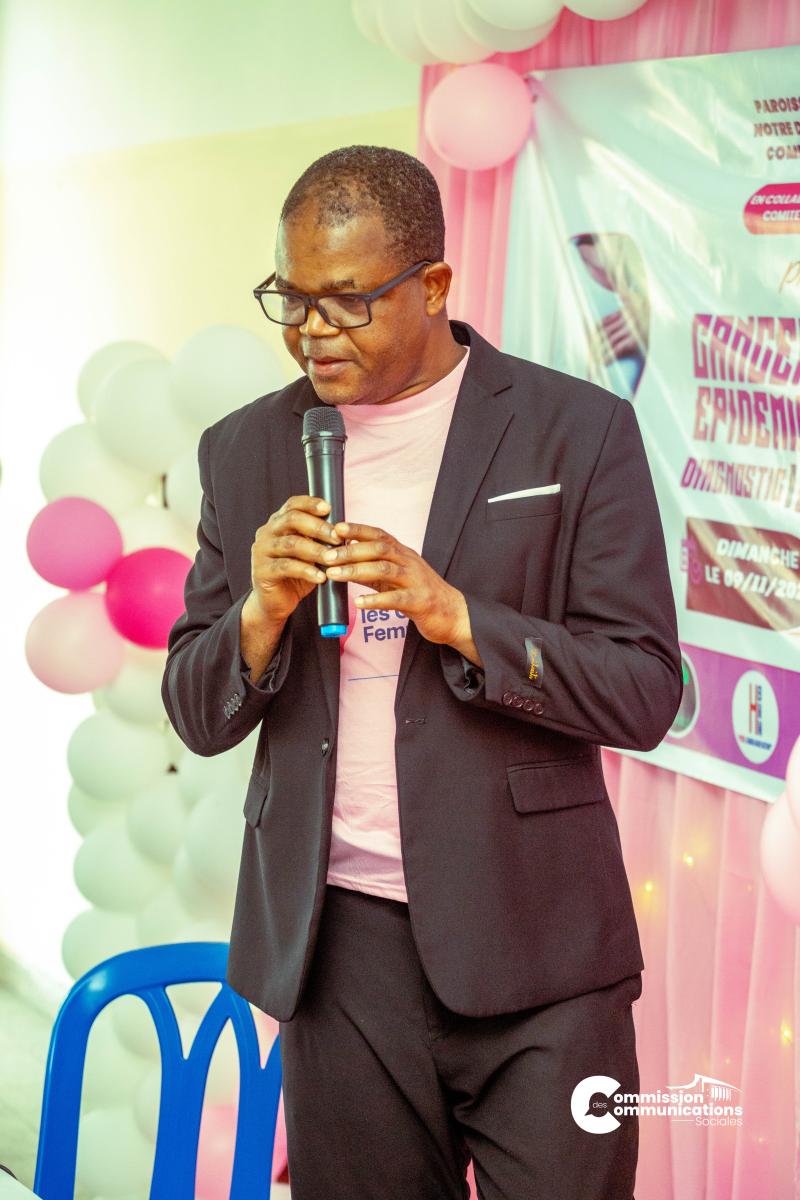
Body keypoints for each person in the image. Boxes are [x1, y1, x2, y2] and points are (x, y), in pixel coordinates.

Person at [161, 145, 682, 1200]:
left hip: (540, 949)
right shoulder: (242, 449)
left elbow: (642, 689)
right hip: (337, 949)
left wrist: (458, 618)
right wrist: (260, 613)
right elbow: (196, 711)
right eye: (291, 298)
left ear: (434, 284)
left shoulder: (576, 431)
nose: (312, 330)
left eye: (347, 301)